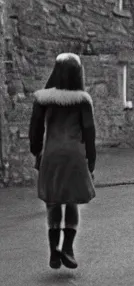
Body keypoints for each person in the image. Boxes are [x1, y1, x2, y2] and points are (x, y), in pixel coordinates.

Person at [29, 53, 96, 269]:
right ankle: (68, 249)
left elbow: (36, 130)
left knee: (53, 201)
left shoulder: (43, 99)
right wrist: (91, 161)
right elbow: (89, 133)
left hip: (51, 154)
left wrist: (37, 151)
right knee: (71, 200)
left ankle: (53, 252)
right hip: (75, 155)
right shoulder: (83, 100)